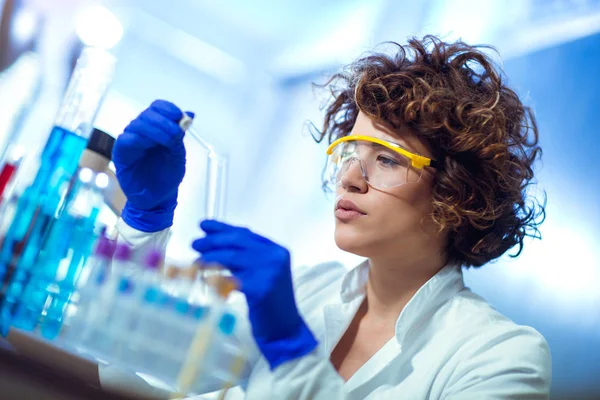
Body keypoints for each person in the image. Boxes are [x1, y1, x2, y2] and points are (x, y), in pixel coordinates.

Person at [112, 35, 551, 399]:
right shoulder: (306, 291)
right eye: (349, 151)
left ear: (459, 192)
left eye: (387, 160)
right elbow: (135, 355)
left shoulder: (500, 356)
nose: (349, 179)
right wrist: (144, 222)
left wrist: (291, 351)